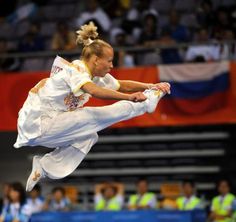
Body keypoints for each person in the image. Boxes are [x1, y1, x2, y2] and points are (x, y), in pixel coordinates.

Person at [13, 21, 170, 192]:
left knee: (89, 136)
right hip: (37, 121)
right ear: (95, 60)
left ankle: (43, 167)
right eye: (109, 61)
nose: (112, 65)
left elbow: (121, 85)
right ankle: (146, 104)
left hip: (50, 125)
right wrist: (130, 98)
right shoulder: (77, 69)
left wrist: (151, 86)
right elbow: (93, 91)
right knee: (89, 116)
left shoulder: (97, 75)